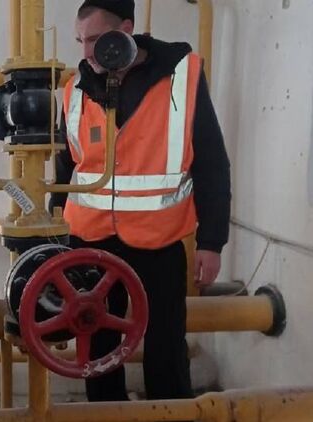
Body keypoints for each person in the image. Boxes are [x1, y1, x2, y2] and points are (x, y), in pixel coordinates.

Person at [49, 0, 231, 402]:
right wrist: (54, 232)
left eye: (96, 39)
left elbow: (212, 163)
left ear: (127, 29)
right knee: (98, 347)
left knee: (166, 348)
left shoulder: (180, 76)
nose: (86, 52)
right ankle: (105, 413)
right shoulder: (75, 89)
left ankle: (172, 411)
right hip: (90, 240)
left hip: (159, 241)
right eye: (80, 41)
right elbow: (65, 166)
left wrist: (211, 242)